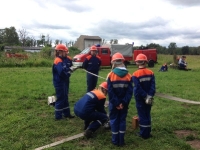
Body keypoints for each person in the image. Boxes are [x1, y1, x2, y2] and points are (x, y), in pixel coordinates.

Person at [107, 52, 133, 146]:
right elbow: (129, 92)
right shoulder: (129, 76)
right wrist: (123, 103)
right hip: (124, 104)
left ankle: (115, 141)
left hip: (114, 104)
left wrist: (116, 103)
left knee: (114, 120)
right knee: (122, 120)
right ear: (123, 61)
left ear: (113, 62)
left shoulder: (110, 75)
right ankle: (121, 141)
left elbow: (110, 91)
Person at [132, 53, 156, 139]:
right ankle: (148, 132)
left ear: (137, 63)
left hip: (140, 98)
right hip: (149, 98)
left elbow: (138, 87)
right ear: (146, 62)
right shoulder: (151, 72)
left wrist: (145, 96)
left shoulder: (135, 74)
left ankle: (144, 134)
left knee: (142, 115)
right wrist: (149, 96)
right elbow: (153, 86)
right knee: (147, 114)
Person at [52, 44, 75, 120]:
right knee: (61, 98)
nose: (67, 53)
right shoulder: (58, 61)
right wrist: (69, 73)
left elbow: (70, 65)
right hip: (59, 82)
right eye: (65, 52)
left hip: (65, 81)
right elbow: (61, 73)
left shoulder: (65, 59)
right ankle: (58, 116)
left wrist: (73, 67)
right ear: (60, 52)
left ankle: (66, 114)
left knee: (65, 97)